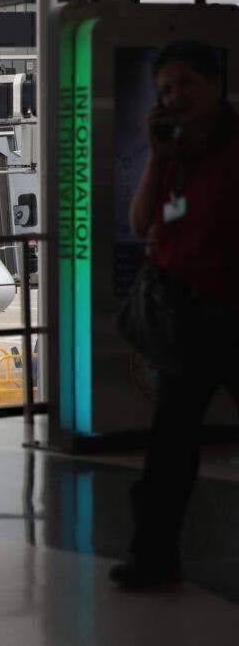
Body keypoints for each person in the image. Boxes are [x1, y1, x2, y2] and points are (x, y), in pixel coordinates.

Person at [110, 40, 239, 590]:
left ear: (215, 84)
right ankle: (153, 558)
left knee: (171, 449)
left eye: (186, 83)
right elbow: (141, 223)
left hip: (236, 317)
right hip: (188, 323)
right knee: (168, 456)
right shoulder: (175, 154)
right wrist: (158, 155)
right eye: (165, 89)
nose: (176, 97)